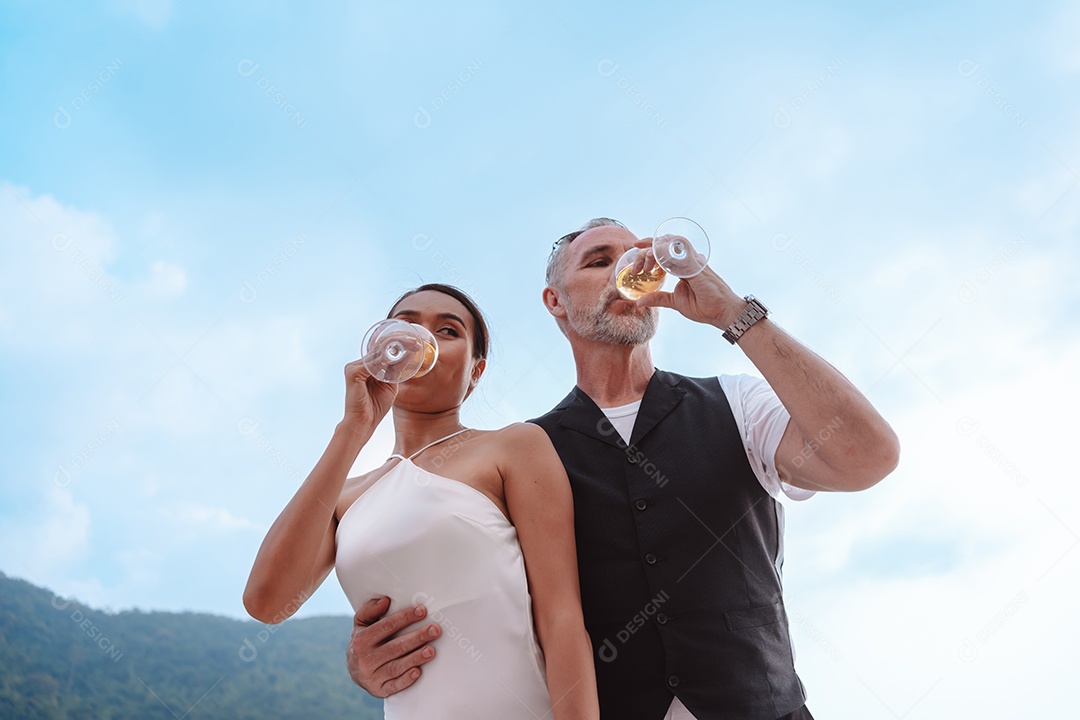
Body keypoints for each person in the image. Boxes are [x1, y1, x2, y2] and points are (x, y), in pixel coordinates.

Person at [346, 221, 901, 720]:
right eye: (598, 260)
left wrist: (734, 312)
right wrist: (373, 656)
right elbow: (470, 591)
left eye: (639, 256)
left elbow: (867, 457)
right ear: (555, 302)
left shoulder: (736, 405)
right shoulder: (523, 453)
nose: (628, 269)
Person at [243, 283, 599, 720]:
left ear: (475, 372)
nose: (420, 339)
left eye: (448, 331)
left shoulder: (513, 447)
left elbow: (562, 617)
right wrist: (353, 429)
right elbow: (267, 602)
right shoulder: (347, 497)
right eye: (405, 325)